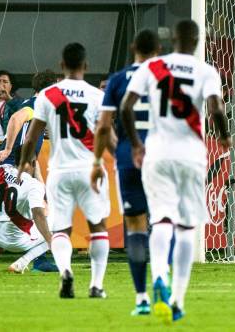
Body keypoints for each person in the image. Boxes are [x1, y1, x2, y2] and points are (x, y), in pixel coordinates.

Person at [120, 20, 230, 323]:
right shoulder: (205, 71)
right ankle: (178, 300)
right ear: (196, 41)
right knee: (186, 228)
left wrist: (136, 145)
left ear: (173, 39)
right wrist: (223, 136)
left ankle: (158, 277)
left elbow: (126, 108)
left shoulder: (153, 67)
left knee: (161, 220)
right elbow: (216, 108)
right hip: (191, 155)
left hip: (157, 153)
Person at [18, 43, 110, 299]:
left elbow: (30, 137)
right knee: (98, 226)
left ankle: (66, 272)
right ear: (86, 66)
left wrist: (24, 163)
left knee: (61, 230)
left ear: (62, 66)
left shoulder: (48, 95)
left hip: (59, 171)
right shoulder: (97, 96)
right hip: (89, 168)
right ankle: (96, 285)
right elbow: (104, 132)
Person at [90, 30, 160, 316]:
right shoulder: (166, 76)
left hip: (129, 159)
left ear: (133, 48)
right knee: (165, 223)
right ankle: (162, 284)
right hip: (162, 158)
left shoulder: (118, 79)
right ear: (159, 49)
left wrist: (99, 160)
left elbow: (104, 126)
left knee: (135, 227)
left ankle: (141, 297)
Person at [0, 70, 59, 166]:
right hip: (13, 165)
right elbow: (15, 119)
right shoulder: (36, 105)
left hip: (16, 165)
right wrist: (7, 150)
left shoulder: (32, 103)